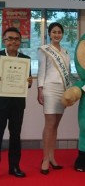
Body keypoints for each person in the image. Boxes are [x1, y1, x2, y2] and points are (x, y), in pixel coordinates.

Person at [37, 22, 71, 175]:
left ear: (62, 34)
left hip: (62, 89)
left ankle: (52, 156)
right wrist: (40, 90)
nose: (57, 34)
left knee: (56, 124)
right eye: (54, 32)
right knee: (49, 123)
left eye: (59, 32)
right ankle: (44, 158)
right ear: (49, 34)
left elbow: (68, 74)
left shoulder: (65, 52)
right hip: (49, 88)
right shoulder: (45, 50)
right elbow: (41, 71)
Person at [0, 27, 33, 178]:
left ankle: (14, 167)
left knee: (15, 135)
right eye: (10, 38)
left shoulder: (25, 59)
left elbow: (28, 83)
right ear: (4, 40)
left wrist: (29, 81)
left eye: (16, 39)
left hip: (17, 104)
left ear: (20, 42)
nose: (13, 41)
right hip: (0, 103)